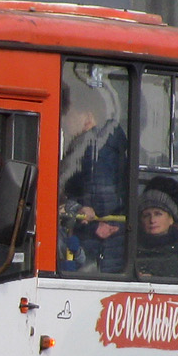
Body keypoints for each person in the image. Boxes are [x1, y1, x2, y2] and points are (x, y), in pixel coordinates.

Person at [59, 93, 128, 272]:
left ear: (88, 117)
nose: (65, 122)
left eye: (70, 115)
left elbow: (101, 201)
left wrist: (90, 220)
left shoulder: (95, 150)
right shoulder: (108, 144)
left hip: (96, 243)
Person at [135, 184, 178, 279]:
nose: (152, 220)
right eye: (146, 215)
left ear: (171, 219)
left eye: (158, 214)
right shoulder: (130, 247)